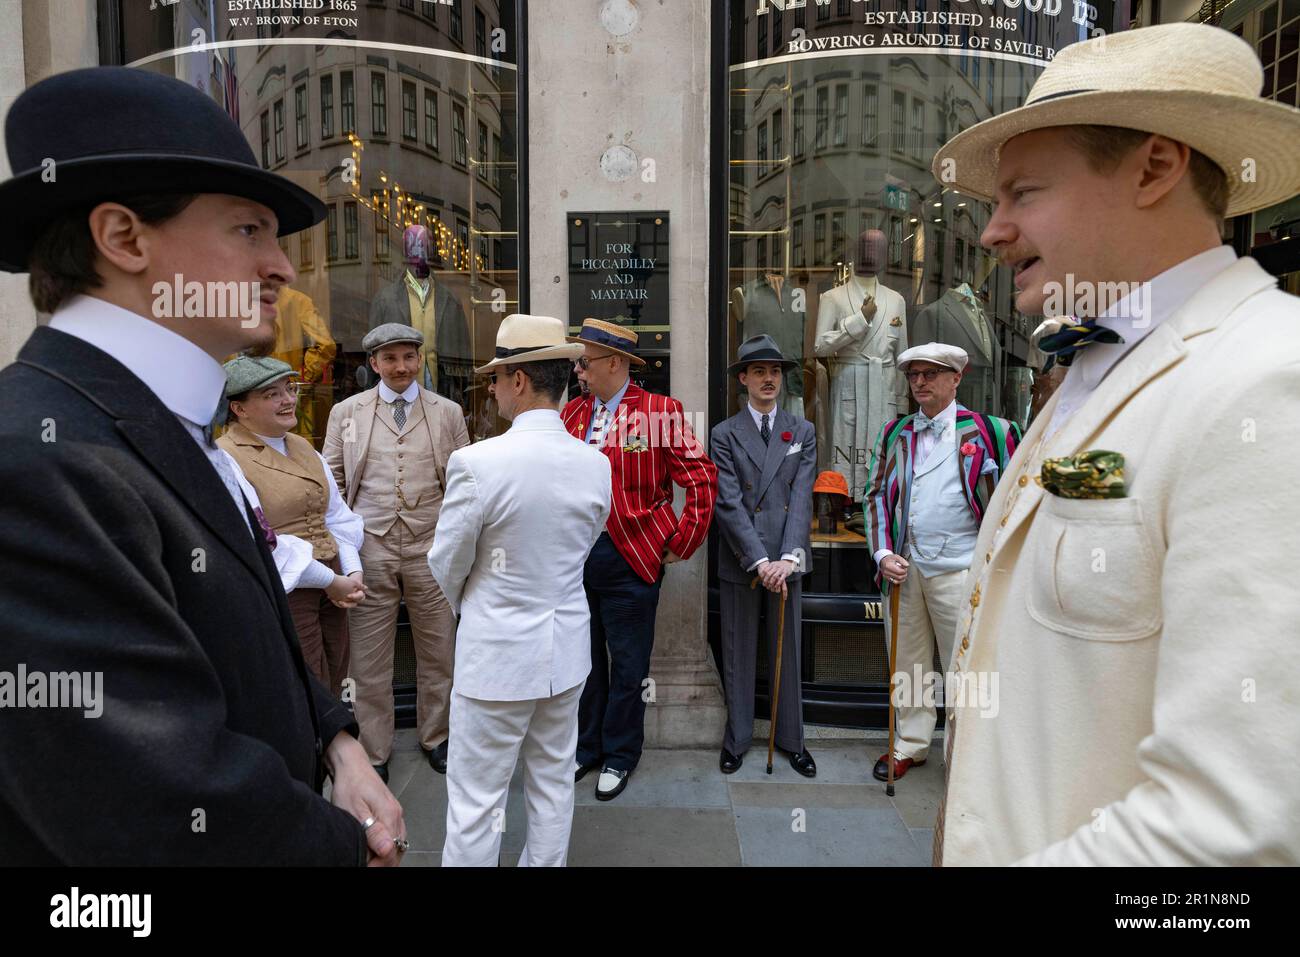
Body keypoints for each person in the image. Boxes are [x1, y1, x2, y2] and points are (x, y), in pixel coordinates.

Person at [0, 66, 403, 864]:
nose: (283, 268)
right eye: (248, 230)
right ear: (124, 237)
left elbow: (242, 637)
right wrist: (349, 848)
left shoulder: (168, 419)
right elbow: (151, 799)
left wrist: (337, 744)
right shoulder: (39, 460)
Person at [929, 22, 1300, 865]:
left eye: (1023, 192)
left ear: (1156, 168)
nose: (993, 231)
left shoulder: (1271, 377)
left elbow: (1234, 828)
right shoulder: (1092, 362)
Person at [428, 314, 611, 867]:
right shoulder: (596, 462)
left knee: (476, 800)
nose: (490, 388)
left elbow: (446, 564)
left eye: (496, 375)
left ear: (520, 380)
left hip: (497, 658)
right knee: (553, 784)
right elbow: (583, 541)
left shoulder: (478, 462)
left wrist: (479, 608)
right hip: (565, 651)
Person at [563, 318, 718, 801]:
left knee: (629, 668)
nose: (579, 370)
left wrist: (682, 540)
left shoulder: (659, 411)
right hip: (573, 563)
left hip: (632, 558)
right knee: (582, 665)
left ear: (614, 363)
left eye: (585, 362)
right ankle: (587, 747)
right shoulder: (569, 414)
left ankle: (620, 754)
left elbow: (702, 479)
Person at [863, 343, 1020, 783]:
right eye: (914, 375)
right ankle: (909, 744)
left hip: (963, 570)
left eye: (931, 374)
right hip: (905, 569)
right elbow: (874, 496)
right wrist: (882, 552)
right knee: (908, 664)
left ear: (956, 378)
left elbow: (1014, 498)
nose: (921, 382)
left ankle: (965, 752)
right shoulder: (895, 433)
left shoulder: (993, 430)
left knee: (966, 667)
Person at [323, 323, 470, 781]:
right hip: (370, 548)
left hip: (431, 546)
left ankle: (438, 736)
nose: (401, 367)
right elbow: (331, 482)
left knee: (439, 652)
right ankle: (374, 750)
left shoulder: (448, 412)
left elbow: (466, 482)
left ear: (421, 358)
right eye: (391, 359)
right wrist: (342, 549)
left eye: (409, 357)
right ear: (374, 364)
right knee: (368, 659)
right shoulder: (346, 413)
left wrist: (455, 541)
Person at [219, 355, 367, 697]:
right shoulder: (226, 456)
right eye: (272, 394)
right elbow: (262, 540)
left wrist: (352, 571)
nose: (288, 400)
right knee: (304, 686)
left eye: (289, 389)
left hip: (335, 587)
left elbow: (336, 517)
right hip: (284, 590)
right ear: (239, 409)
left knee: (334, 678)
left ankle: (332, 748)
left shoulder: (301, 446)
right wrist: (332, 581)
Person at [710, 335, 818, 777]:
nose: (769, 379)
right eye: (759, 371)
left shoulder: (802, 430)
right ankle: (736, 739)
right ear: (743, 379)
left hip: (786, 560)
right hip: (744, 560)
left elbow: (803, 495)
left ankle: (791, 739)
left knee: (786, 653)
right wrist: (759, 560)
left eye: (775, 371)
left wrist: (788, 559)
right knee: (738, 652)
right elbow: (729, 503)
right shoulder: (723, 433)